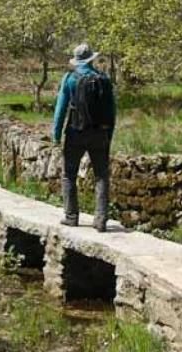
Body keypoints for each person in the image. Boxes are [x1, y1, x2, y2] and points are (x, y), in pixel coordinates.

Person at [53, 43, 117, 232]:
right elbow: (112, 111)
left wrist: (56, 135)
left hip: (75, 133)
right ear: (91, 59)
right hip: (100, 134)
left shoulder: (69, 79)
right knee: (101, 176)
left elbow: (61, 109)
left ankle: (71, 216)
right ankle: (101, 220)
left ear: (76, 60)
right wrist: (109, 134)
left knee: (68, 175)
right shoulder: (103, 79)